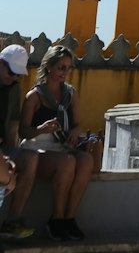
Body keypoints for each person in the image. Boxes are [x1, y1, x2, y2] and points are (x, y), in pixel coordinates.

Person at [19, 44, 99, 242]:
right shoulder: (35, 96)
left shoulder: (70, 94)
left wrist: (73, 131)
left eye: (68, 67)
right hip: (36, 148)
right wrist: (42, 129)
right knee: (67, 162)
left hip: (60, 147)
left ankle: (69, 217)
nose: (65, 72)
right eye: (61, 67)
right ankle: (55, 219)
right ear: (49, 67)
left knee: (86, 161)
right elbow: (23, 132)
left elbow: (78, 124)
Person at [0, 45, 34, 238]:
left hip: (3, 148)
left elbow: (13, 124)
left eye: (17, 75)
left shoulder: (14, 89)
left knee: (30, 160)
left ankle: (12, 221)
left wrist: (10, 156)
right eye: (11, 72)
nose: (13, 77)